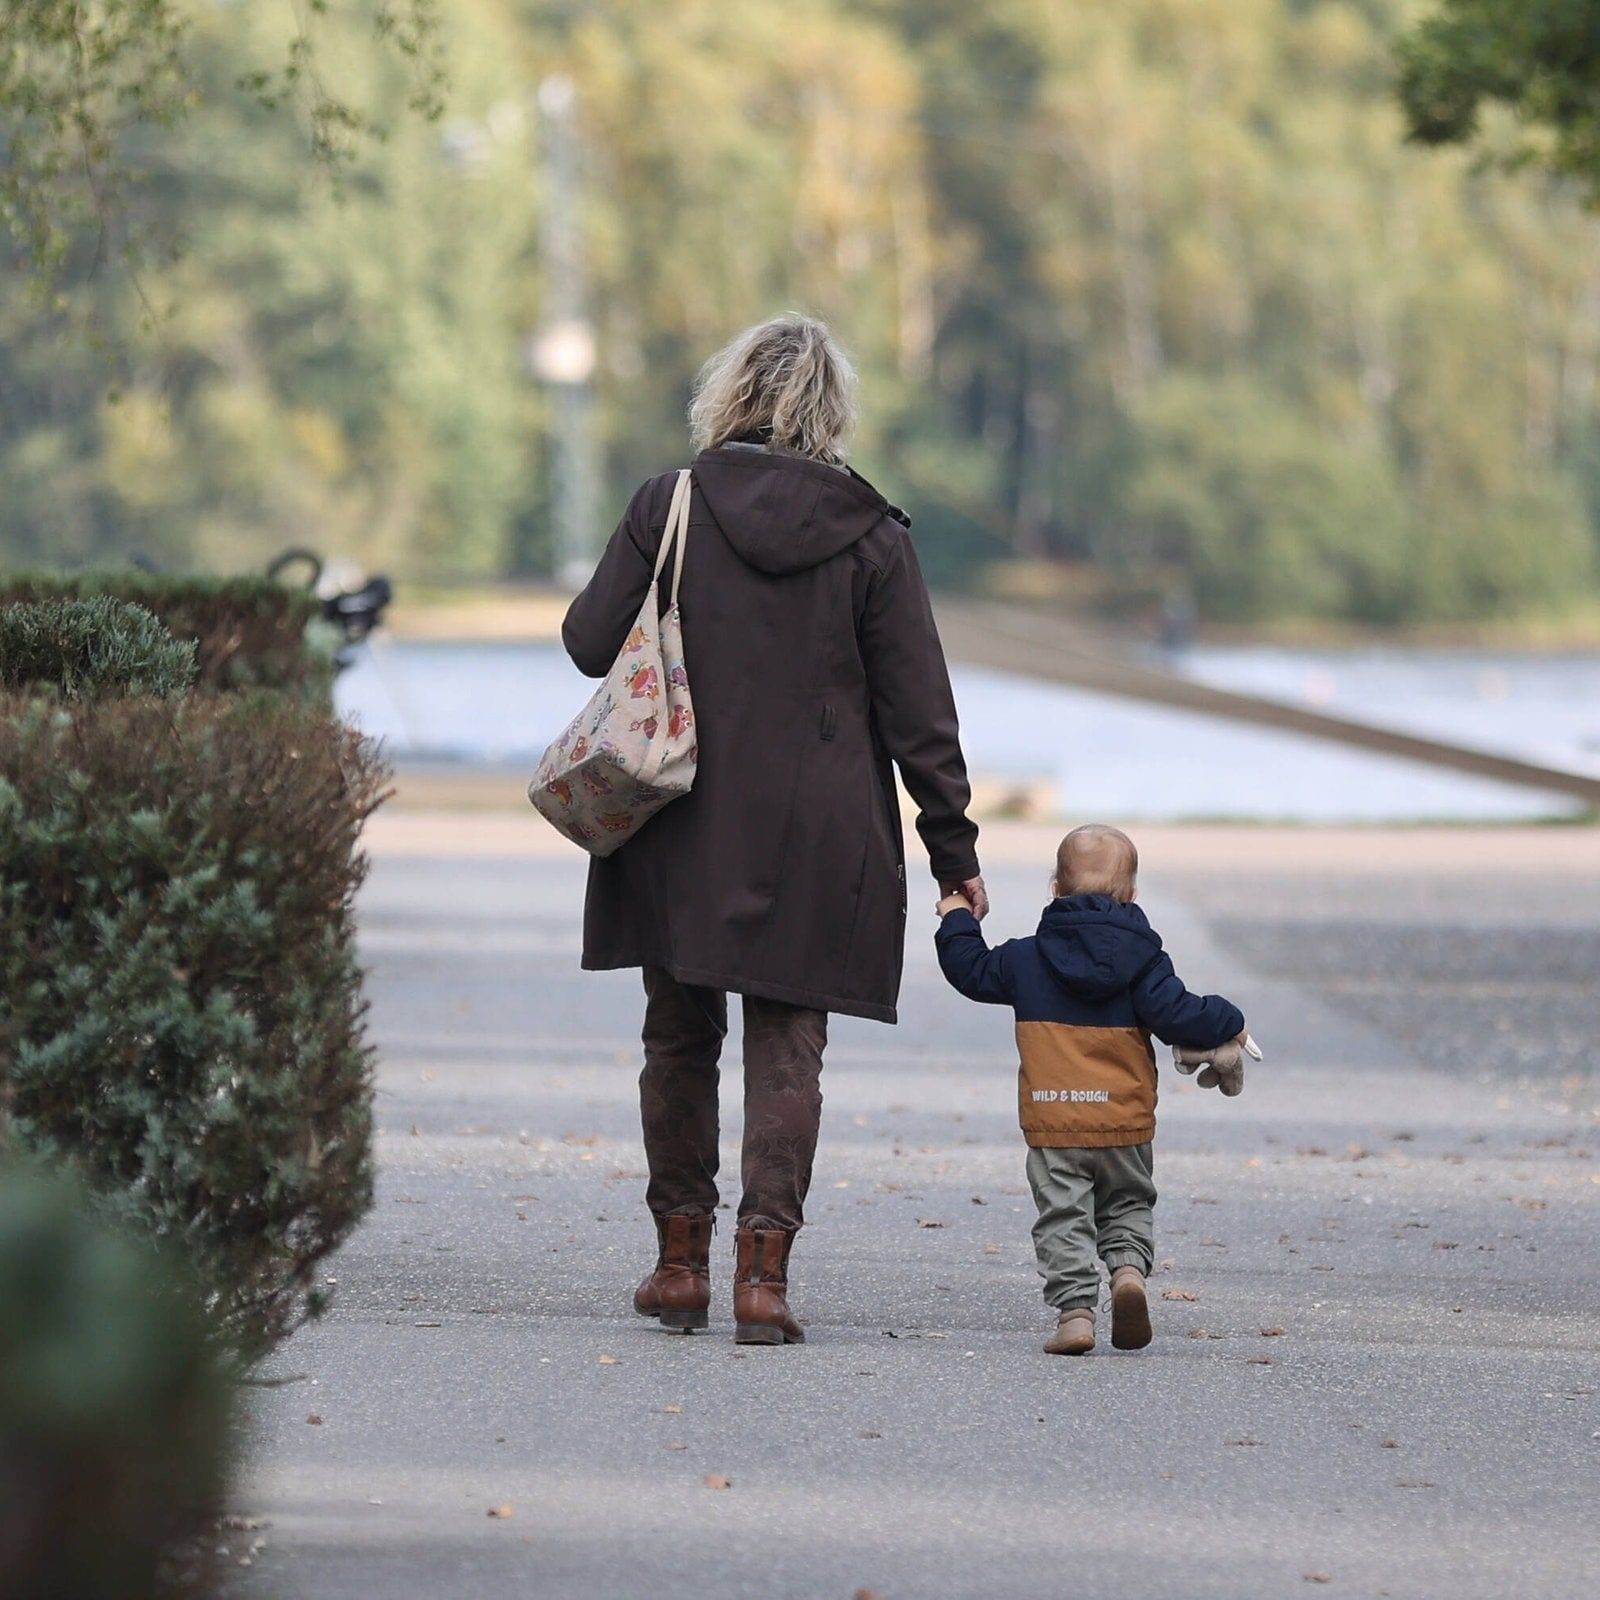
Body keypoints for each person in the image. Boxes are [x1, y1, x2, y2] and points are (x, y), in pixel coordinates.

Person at [562, 313, 984, 1345]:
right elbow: (920, 717)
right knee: (789, 1050)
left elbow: (586, 642)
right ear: (831, 410)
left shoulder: (670, 503)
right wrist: (954, 858)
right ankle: (763, 1283)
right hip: (818, 831)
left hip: (677, 818)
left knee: (677, 1037)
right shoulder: (874, 538)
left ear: (732, 394)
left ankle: (678, 1268)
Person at [933, 824, 1247, 1355]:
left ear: (1055, 888)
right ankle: (1127, 1273)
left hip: (1054, 1121)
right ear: (1132, 894)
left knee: (1063, 1216)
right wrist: (1230, 1020)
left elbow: (970, 969)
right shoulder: (1145, 961)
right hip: (1124, 1119)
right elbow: (1180, 1014)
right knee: (1126, 1203)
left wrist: (957, 916)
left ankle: (1076, 1313)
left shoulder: (1026, 958)